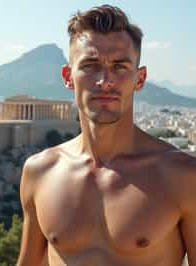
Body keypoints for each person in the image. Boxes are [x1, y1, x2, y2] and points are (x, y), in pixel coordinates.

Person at [17, 4, 195, 266]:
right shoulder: (40, 172)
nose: (105, 80)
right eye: (90, 65)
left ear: (140, 78)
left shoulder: (181, 176)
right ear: (68, 77)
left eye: (120, 66)